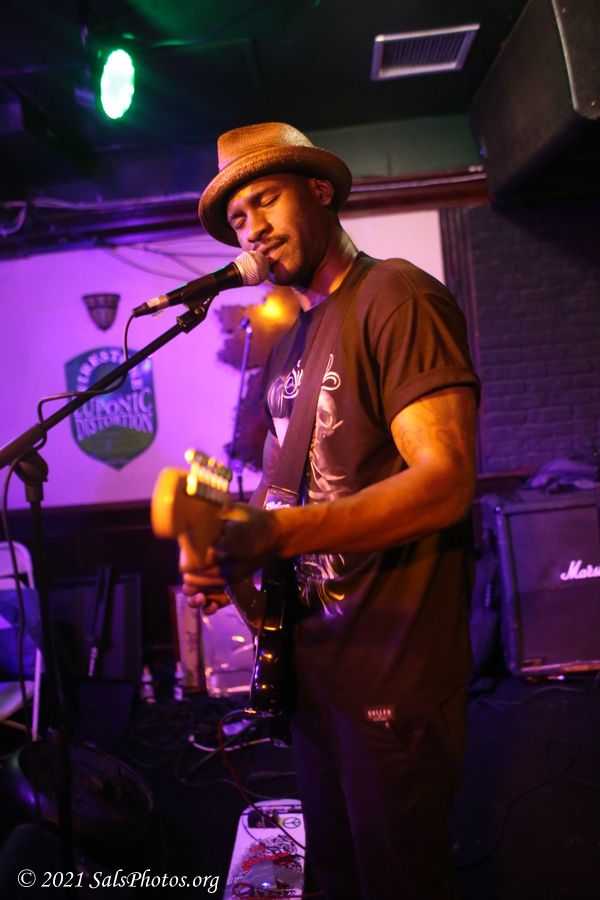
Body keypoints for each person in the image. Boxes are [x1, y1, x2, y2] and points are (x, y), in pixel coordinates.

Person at [180, 122, 480, 900]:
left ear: (320, 192)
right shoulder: (294, 337)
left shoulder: (396, 296)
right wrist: (230, 551)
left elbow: (446, 480)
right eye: (236, 218)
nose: (251, 229)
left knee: (401, 880)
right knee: (338, 875)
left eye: (264, 200)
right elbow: (299, 489)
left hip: (392, 670)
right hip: (316, 668)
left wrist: (274, 532)